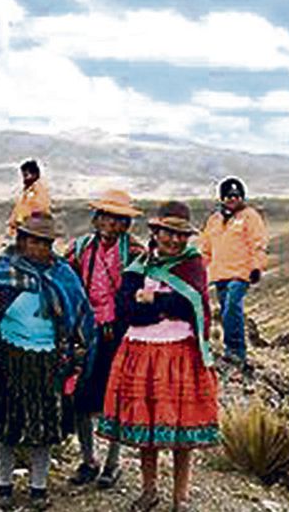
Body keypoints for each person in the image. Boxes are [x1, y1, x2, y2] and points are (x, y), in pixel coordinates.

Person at [100, 201, 220, 512]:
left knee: (183, 431)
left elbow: (195, 307)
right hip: (141, 352)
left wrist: (153, 299)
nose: (175, 240)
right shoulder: (138, 266)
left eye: (181, 235)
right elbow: (127, 311)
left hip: (181, 353)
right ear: (156, 232)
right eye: (168, 233)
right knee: (147, 427)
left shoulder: (193, 266)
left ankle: (181, 498)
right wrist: (167, 304)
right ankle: (149, 490)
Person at [0, 212, 95, 510]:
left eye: (45, 242)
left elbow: (79, 318)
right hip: (10, 359)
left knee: (45, 428)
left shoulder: (63, 275)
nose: (40, 247)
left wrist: (76, 363)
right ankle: (4, 484)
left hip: (49, 361)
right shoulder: (5, 274)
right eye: (33, 240)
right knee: (6, 425)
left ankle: (38, 488)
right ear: (22, 240)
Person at [62, 189, 146, 488]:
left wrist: (117, 315)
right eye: (105, 217)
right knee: (80, 394)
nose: (110, 224)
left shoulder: (136, 254)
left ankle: (112, 462)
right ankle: (88, 459)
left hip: (118, 334)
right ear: (97, 219)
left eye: (118, 219)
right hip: (85, 331)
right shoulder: (82, 248)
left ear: (126, 225)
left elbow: (139, 292)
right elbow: (65, 277)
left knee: (115, 396)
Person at [197, 176, 268, 372]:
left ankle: (237, 350)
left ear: (242, 197)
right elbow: (205, 250)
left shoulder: (250, 216)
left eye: (236, 196)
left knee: (231, 307)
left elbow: (258, 244)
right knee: (225, 310)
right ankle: (231, 349)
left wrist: (256, 267)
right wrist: (198, 271)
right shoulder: (214, 221)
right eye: (228, 196)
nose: (232, 199)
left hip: (241, 273)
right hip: (220, 274)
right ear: (221, 198)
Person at [7, 159, 51, 236]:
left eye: (26, 175)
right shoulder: (27, 191)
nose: (24, 179)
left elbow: (40, 209)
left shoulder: (39, 189)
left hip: (33, 231)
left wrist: (22, 220)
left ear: (34, 174)